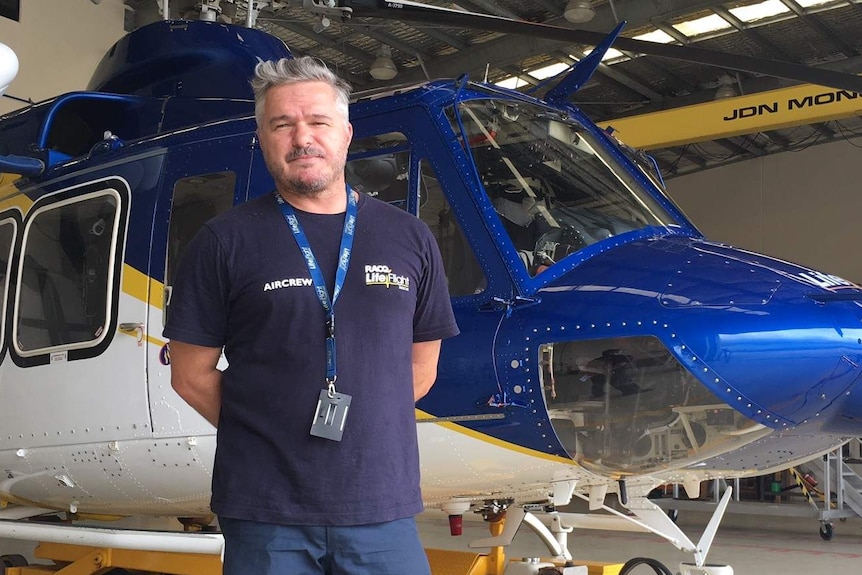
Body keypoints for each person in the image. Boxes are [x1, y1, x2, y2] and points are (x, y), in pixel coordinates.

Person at [163, 56, 459, 575]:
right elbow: (190, 377)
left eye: (318, 122)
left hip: (381, 509)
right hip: (265, 513)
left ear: (345, 135)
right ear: (262, 138)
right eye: (283, 124)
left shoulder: (410, 237)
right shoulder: (222, 242)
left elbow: (422, 367)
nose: (303, 138)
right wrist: (273, 432)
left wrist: (363, 426)